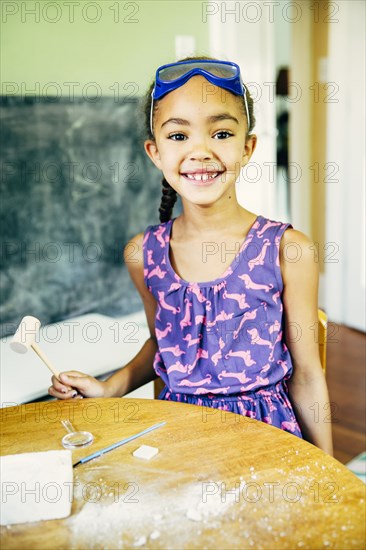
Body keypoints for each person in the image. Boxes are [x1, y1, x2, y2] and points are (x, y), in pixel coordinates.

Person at [49, 57, 333, 455]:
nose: (200, 151)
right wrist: (110, 386)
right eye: (179, 137)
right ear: (155, 152)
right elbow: (164, 343)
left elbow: (307, 375)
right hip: (178, 440)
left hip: (268, 441)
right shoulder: (143, 254)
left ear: (248, 147)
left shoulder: (289, 250)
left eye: (220, 133)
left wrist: (328, 473)